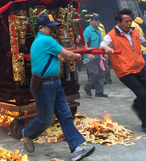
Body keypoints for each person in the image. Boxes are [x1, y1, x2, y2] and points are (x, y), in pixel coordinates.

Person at [22, 14, 95, 161]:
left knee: (65, 114)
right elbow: (68, 54)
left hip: (54, 84)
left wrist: (62, 56)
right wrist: (75, 56)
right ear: (41, 28)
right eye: (50, 27)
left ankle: (76, 148)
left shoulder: (40, 41)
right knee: (46, 119)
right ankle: (27, 132)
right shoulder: (46, 39)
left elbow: (52, 56)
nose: (52, 30)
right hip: (44, 85)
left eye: (53, 27)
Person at [99, 9, 146, 135]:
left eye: (130, 20)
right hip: (125, 72)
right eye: (126, 21)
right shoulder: (111, 35)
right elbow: (102, 46)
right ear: (118, 22)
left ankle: (137, 105)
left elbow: (145, 43)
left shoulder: (135, 31)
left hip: (139, 69)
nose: (129, 23)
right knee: (143, 95)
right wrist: (107, 48)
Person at [83, 13, 107, 97]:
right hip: (90, 55)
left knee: (101, 74)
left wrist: (104, 53)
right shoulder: (87, 30)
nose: (98, 21)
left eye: (99, 20)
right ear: (91, 21)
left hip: (98, 54)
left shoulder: (99, 30)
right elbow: (84, 42)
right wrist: (88, 53)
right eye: (95, 20)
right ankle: (87, 86)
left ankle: (99, 92)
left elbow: (101, 42)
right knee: (95, 73)